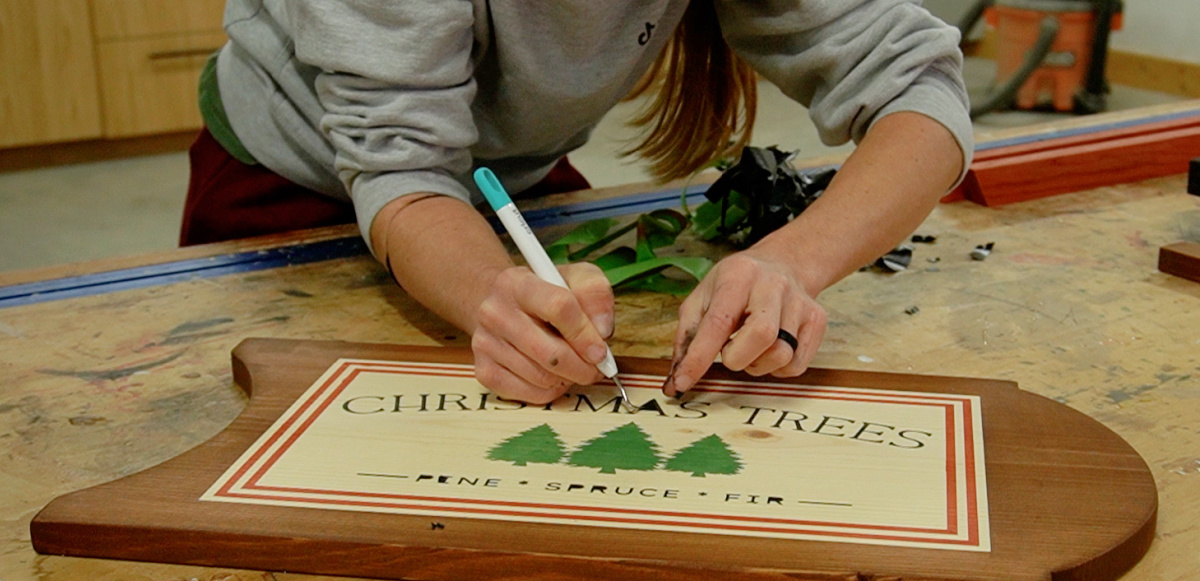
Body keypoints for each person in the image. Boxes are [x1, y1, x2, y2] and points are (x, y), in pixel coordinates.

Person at [182, 0, 972, 404]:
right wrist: (484, 290)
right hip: (287, 179)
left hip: (511, 178)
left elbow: (921, 92)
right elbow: (402, 167)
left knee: (560, 341)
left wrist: (791, 259)